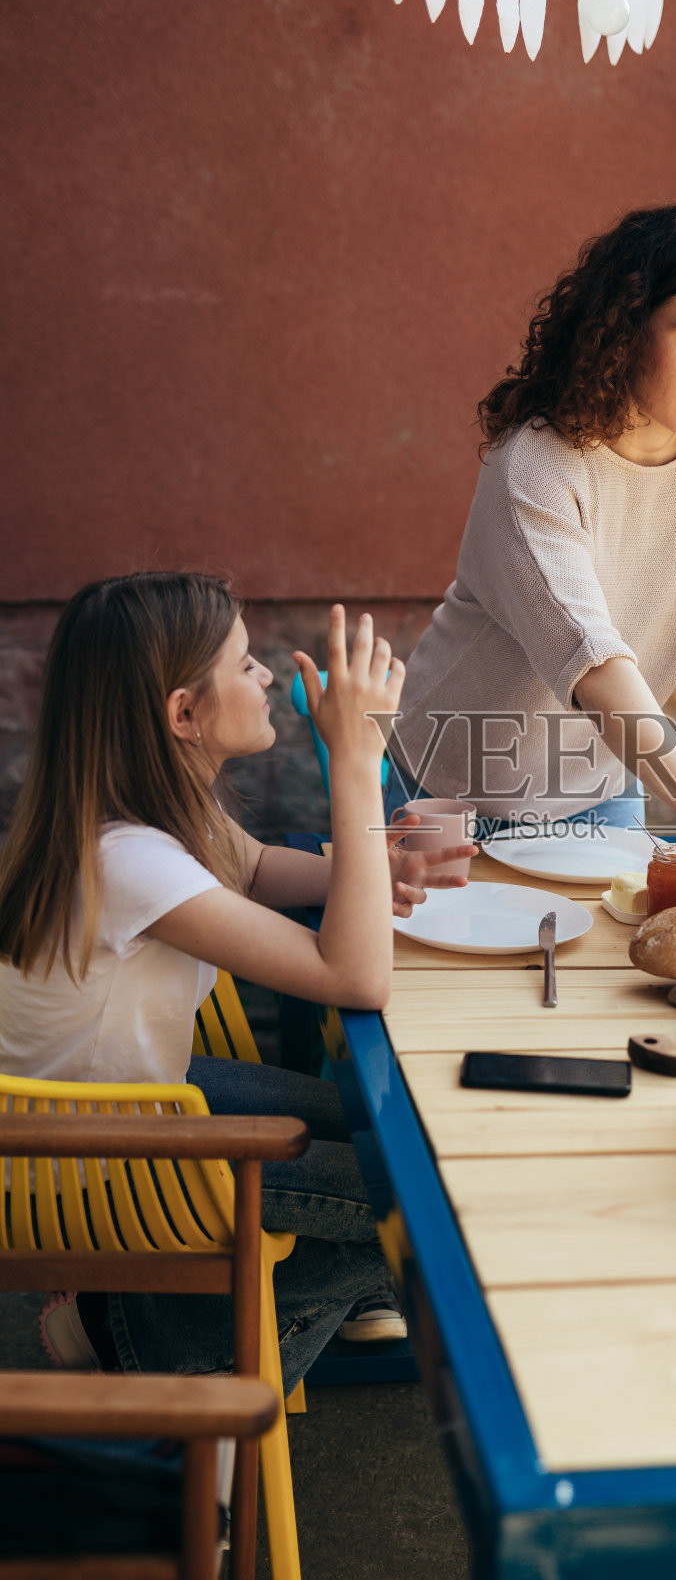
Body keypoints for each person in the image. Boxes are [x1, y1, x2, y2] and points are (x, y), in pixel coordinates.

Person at [0, 571, 474, 1393]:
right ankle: (142, 1341)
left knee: (401, 1130)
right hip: (80, 1162)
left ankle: (160, 1311)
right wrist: (355, 762)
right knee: (429, 1205)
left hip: (115, 1106)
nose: (266, 677)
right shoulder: (129, 860)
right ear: (183, 715)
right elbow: (354, 978)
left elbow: (250, 868)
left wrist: (374, 869)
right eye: (245, 663)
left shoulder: (144, 812)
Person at [383, 202, 676, 893]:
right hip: (449, 786)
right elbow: (589, 657)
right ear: (624, 334)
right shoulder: (537, 463)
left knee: (610, 958)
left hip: (599, 789)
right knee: (434, 962)